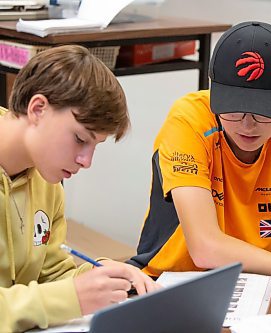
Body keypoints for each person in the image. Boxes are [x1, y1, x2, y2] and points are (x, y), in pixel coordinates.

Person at [128, 21, 271, 276]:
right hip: (171, 277)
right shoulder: (189, 120)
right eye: (233, 108)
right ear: (212, 88)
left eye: (263, 111)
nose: (247, 125)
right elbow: (205, 248)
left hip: (259, 279)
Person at [0, 45, 159, 332]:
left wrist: (102, 277)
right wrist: (70, 297)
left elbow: (50, 274)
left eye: (95, 146)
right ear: (38, 109)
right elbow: (57, 297)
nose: (86, 161)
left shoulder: (47, 183)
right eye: (79, 138)